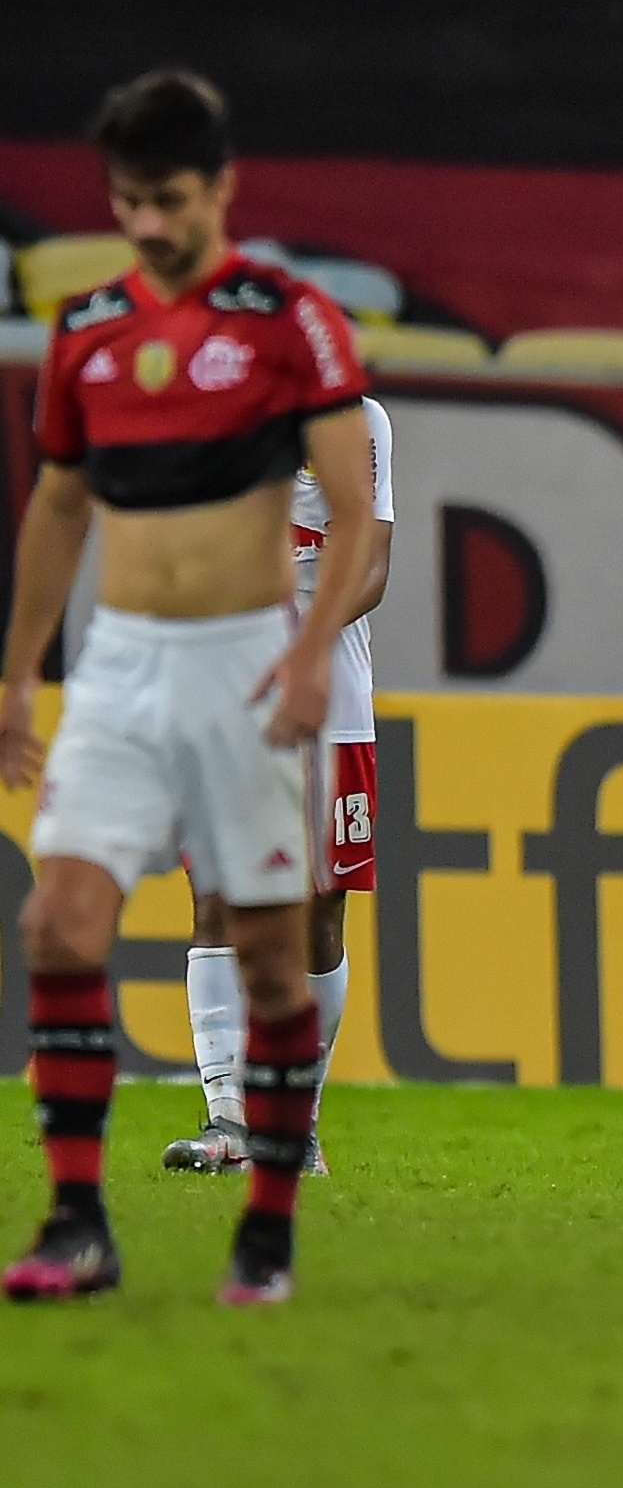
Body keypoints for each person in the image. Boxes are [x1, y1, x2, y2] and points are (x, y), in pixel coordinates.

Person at [0, 68, 376, 1302]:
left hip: (240, 665)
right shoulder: (90, 329)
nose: (147, 226)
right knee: (58, 921)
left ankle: (264, 1233)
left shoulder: (291, 324)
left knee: (273, 954)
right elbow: (60, 504)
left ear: (220, 188)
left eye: (166, 199)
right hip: (121, 665)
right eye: (125, 202)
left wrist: (313, 647)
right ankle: (76, 1222)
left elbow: (358, 513)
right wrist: (18, 669)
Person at [163, 396, 393, 1176]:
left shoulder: (362, 422)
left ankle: (299, 1124)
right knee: (218, 895)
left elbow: (373, 567)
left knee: (321, 906)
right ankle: (226, 1114)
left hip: (333, 695)